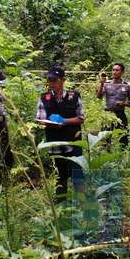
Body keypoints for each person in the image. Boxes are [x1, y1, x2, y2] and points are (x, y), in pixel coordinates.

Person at [37, 66, 86, 200]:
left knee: (77, 174)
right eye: (49, 80)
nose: (51, 83)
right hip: (55, 140)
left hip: (73, 141)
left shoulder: (74, 96)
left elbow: (81, 118)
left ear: (62, 80)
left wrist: (64, 121)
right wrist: (48, 122)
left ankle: (84, 204)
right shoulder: (44, 98)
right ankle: (61, 205)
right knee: (60, 174)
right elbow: (40, 119)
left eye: (54, 80)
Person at [96, 63, 130, 147]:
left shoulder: (127, 85)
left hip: (120, 114)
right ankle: (106, 156)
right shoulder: (107, 84)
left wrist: (123, 103)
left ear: (122, 72)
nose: (114, 72)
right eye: (113, 70)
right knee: (105, 138)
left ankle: (123, 156)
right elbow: (99, 97)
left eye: (117, 70)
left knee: (123, 137)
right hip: (108, 114)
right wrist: (102, 84)